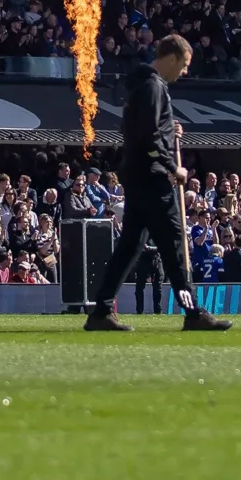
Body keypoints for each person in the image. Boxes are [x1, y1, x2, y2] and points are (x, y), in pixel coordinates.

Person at [83, 35, 232, 333]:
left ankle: (101, 311)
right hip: (152, 178)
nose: (185, 72)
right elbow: (148, 136)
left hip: (138, 175)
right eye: (185, 65)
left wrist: (169, 130)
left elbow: (146, 128)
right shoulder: (153, 87)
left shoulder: (142, 86)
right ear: (173, 58)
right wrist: (171, 166)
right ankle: (192, 312)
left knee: (130, 247)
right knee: (174, 244)